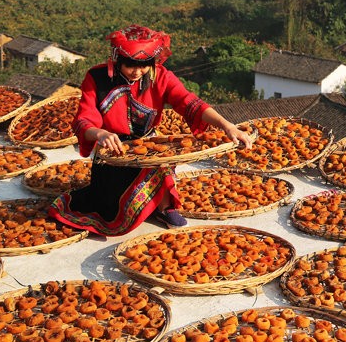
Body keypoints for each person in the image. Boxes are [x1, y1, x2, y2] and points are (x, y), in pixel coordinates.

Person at [48, 25, 253, 236]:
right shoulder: (96, 77)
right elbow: (84, 119)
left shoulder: (161, 76)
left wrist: (226, 125)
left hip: (148, 148)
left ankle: (164, 207)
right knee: (109, 208)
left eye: (144, 65)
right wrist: (100, 133)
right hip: (113, 152)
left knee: (160, 161)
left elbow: (189, 102)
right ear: (117, 58)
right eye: (130, 65)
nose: (137, 72)